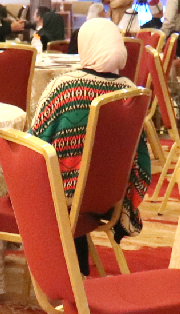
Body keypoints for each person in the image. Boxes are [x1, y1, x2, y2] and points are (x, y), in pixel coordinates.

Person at [30, 18, 151, 275]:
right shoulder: (130, 92)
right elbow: (140, 157)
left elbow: (35, 142)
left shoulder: (64, 88)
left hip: (64, 196)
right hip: (111, 197)